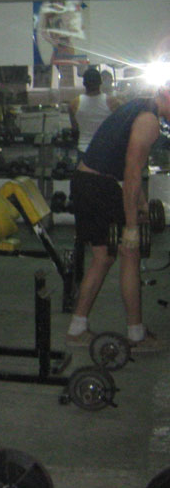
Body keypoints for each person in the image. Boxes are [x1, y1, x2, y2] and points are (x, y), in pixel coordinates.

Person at [65, 85, 170, 352]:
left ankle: (77, 328)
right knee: (129, 253)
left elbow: (126, 166)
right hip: (99, 187)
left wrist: (142, 204)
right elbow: (132, 173)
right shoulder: (149, 122)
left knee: (103, 258)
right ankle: (136, 335)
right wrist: (132, 226)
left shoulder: (137, 105)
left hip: (87, 182)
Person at [68, 66, 118, 160]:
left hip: (84, 150)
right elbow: (117, 127)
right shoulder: (112, 102)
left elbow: (75, 129)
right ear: (100, 82)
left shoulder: (74, 104)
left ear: (84, 83)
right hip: (105, 150)